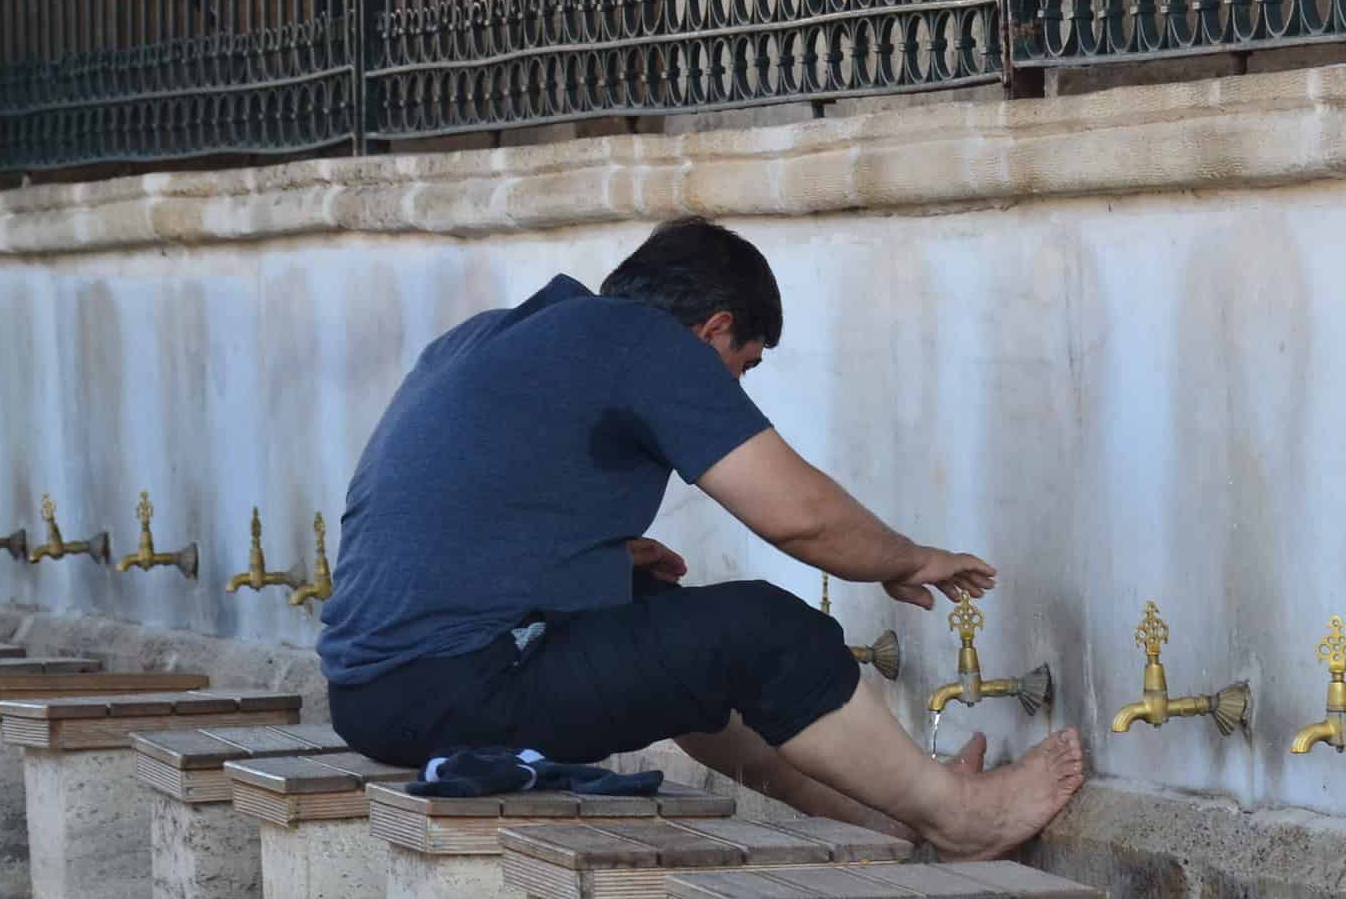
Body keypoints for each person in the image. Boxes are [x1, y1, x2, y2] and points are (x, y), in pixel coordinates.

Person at [318, 217, 1084, 859]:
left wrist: (606, 561)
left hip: (370, 695)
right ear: (715, 329)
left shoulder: (501, 336)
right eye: (742, 366)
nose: (735, 390)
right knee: (766, 630)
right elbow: (798, 515)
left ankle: (887, 809)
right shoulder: (645, 343)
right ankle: (958, 817)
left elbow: (440, 510)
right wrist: (909, 558)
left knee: (659, 618)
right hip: (458, 686)